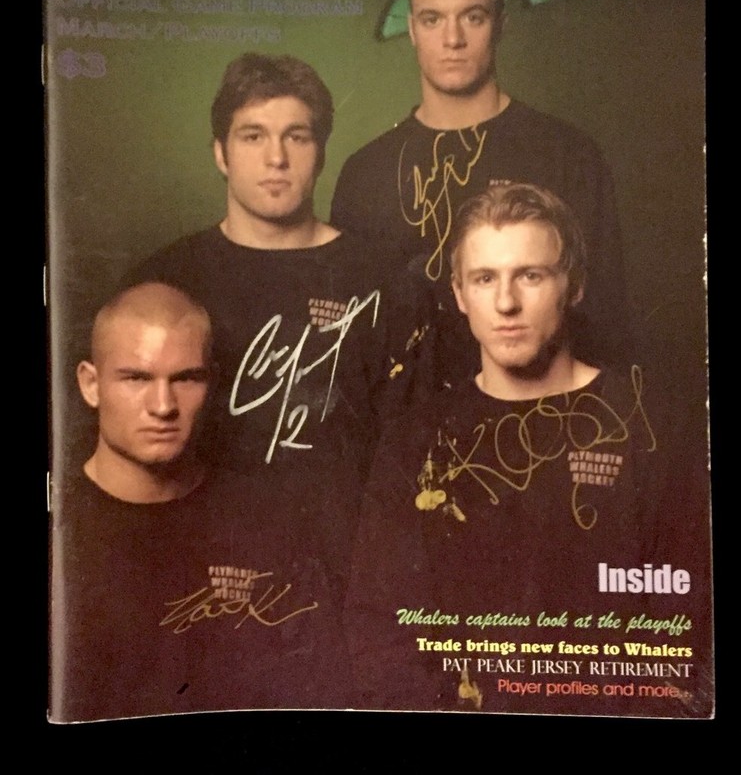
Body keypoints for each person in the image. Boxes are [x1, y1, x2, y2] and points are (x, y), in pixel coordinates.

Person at [344, 185, 666, 715]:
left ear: (574, 285)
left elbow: (684, 632)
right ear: (459, 293)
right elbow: (380, 629)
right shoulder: (413, 440)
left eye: (530, 275)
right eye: (484, 278)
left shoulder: (649, 428)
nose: (506, 303)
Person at [126, 54, 430, 597]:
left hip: (345, 579)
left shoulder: (385, 281)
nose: (276, 158)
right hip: (193, 575)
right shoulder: (163, 281)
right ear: (220, 153)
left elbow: (413, 459)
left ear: (321, 152)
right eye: (253, 136)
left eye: (296, 136)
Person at [50, 282, 351, 722]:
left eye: (186, 378)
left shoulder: (268, 521)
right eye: (136, 378)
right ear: (90, 384)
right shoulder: (61, 525)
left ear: (212, 382)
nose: (163, 406)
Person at [331, 0, 631, 379]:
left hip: (540, 412)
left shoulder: (568, 154)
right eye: (432, 19)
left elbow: (607, 327)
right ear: (412, 29)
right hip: (407, 417)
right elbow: (348, 346)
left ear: (500, 25)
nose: (453, 40)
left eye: (473, 17)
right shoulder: (365, 174)